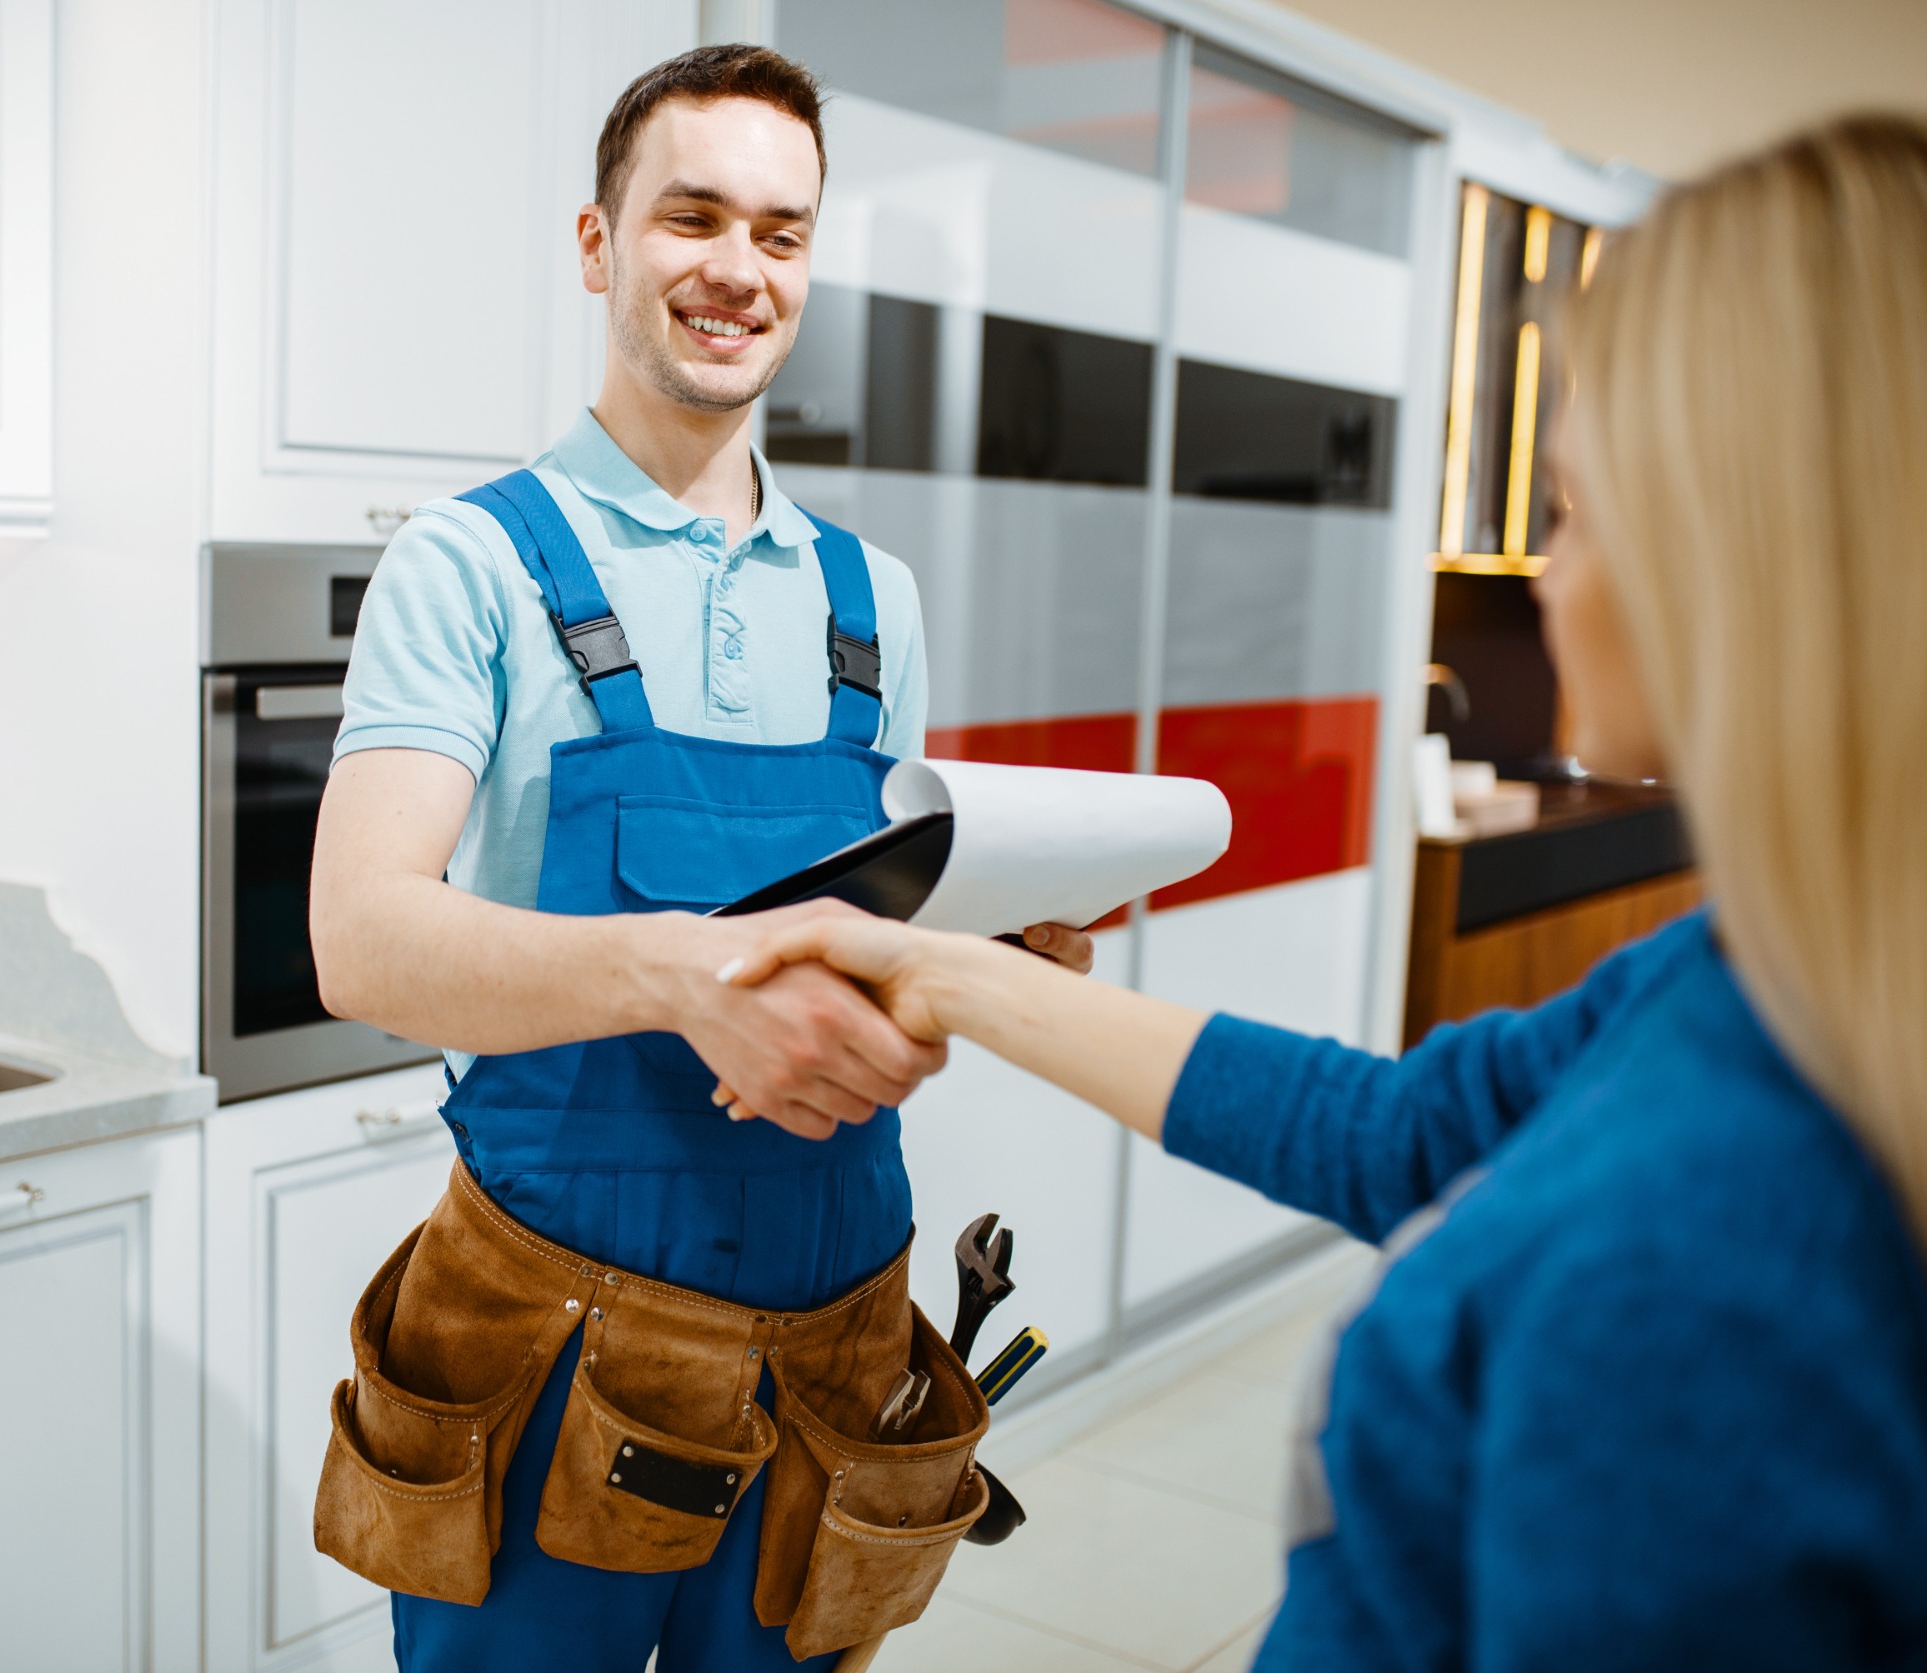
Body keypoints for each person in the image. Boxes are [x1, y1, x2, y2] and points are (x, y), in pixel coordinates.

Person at [720, 114, 1927, 1668]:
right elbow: (1402, 1129)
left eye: (1566, 506)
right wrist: (947, 969)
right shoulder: (1751, 983)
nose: (1545, 572)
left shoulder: (1692, 1276)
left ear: (1732, 551)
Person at [308, 44, 1085, 1673]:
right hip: (544, 1350)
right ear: (600, 244)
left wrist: (978, 961)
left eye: (784, 232)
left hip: (839, 1342)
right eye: (694, 216)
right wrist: (678, 971)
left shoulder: (873, 599)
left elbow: (868, 942)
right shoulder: (473, 564)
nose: (740, 267)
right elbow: (363, 941)